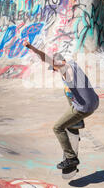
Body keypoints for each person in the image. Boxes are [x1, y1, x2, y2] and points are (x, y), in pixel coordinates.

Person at [23, 40, 99, 171]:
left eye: (54, 68)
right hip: (94, 101)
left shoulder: (64, 68)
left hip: (85, 108)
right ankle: (77, 122)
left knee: (57, 128)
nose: (54, 70)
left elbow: (44, 57)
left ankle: (71, 158)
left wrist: (31, 47)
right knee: (67, 90)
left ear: (58, 64)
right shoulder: (73, 64)